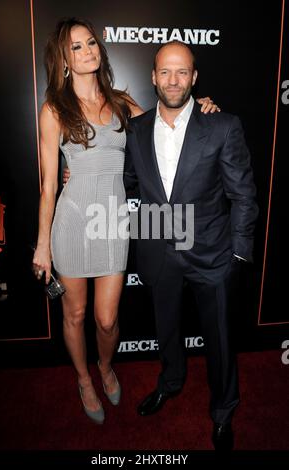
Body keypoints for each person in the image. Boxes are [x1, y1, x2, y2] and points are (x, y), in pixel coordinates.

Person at [33, 18, 217, 425]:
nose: (89, 51)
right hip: (73, 220)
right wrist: (42, 244)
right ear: (63, 59)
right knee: (75, 316)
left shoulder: (121, 102)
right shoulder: (53, 109)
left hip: (113, 221)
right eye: (77, 47)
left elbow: (168, 125)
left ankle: (105, 365)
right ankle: (84, 378)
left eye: (91, 43)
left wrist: (200, 107)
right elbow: (48, 185)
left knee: (106, 319)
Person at [124, 41, 258, 450]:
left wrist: (238, 251)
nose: (173, 80)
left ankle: (223, 410)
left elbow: (244, 195)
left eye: (182, 72)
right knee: (166, 330)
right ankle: (171, 382)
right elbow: (129, 182)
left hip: (212, 254)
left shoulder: (221, 125)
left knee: (219, 338)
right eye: (165, 71)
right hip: (158, 249)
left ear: (194, 78)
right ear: (152, 76)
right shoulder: (137, 128)